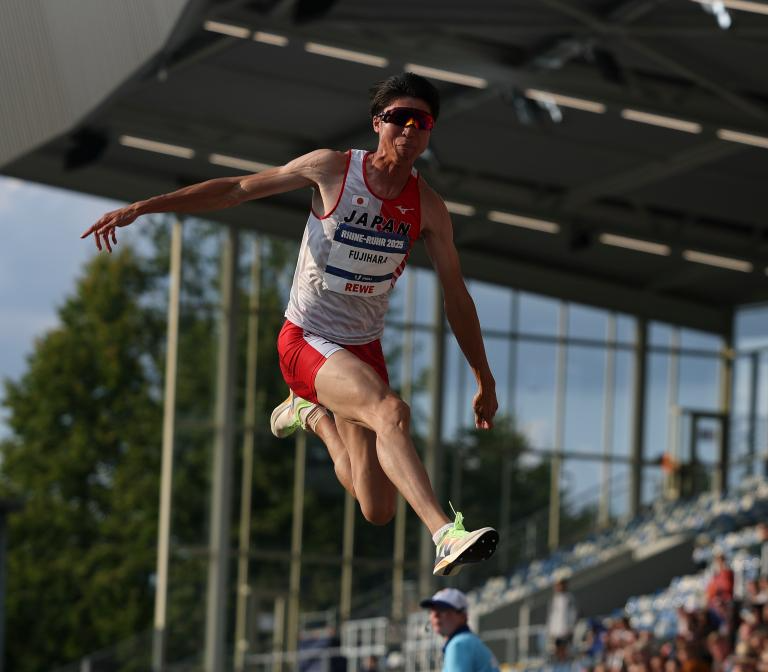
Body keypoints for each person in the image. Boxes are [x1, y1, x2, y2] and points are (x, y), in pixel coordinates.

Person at [81, 73, 499, 576]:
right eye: (399, 118)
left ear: (430, 133)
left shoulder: (428, 207)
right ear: (377, 123)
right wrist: (144, 206)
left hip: (361, 350)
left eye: (422, 122)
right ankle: (445, 533)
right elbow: (235, 190)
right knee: (391, 412)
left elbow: (456, 296)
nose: (409, 129)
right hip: (306, 338)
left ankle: (313, 415)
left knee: (377, 507)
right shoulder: (332, 169)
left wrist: (484, 376)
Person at [420, 588, 498, 672]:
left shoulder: (459, 644)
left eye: (443, 609)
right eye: (432, 610)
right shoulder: (469, 641)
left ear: (462, 615)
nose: (435, 615)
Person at [547, 576, 579, 661]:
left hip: (566, 631)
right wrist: (551, 630)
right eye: (556, 585)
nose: (557, 587)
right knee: (556, 652)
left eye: (559, 585)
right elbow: (552, 616)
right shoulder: (554, 599)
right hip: (556, 632)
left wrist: (570, 628)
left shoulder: (569, 598)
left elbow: (573, 614)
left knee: (566, 651)